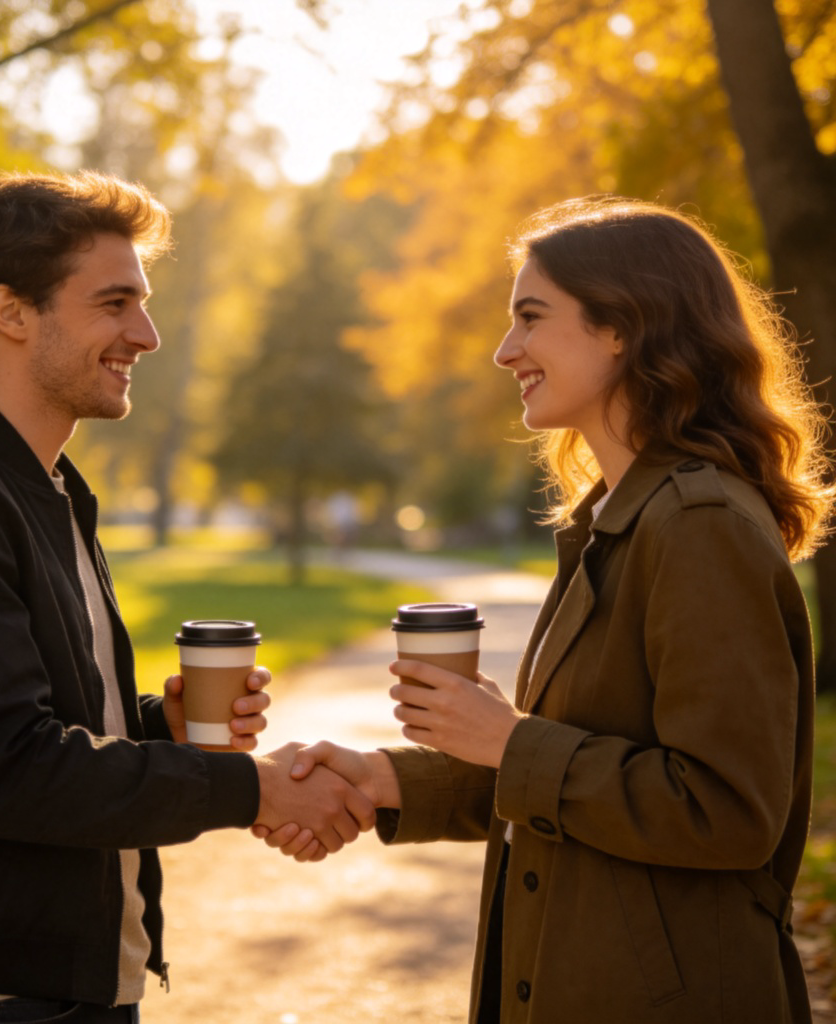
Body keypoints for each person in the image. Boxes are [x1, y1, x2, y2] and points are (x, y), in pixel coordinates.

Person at [259, 196, 832, 1023]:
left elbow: (726, 811)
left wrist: (512, 739)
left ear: (623, 327)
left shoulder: (698, 525)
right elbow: (574, 774)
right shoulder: (615, 519)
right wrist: (387, 780)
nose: (505, 351)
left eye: (530, 318)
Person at [0, 170, 375, 1024]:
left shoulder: (41, 487)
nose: (146, 335)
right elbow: (6, 770)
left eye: (143, 304)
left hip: (66, 979)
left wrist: (155, 722)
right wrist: (255, 791)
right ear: (10, 313)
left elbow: (20, 725)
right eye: (115, 303)